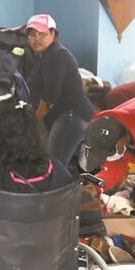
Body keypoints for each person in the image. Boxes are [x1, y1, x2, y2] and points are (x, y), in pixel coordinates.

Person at [24, 13, 94, 165]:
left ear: (53, 34)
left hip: (70, 118)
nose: (36, 38)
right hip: (67, 118)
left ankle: (64, 190)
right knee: (58, 166)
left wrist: (34, 121)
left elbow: (50, 96)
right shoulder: (44, 57)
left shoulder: (56, 55)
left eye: (42, 34)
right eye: (32, 34)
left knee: (54, 167)